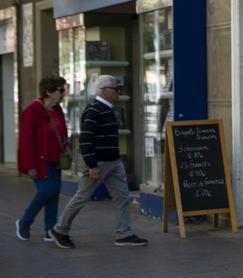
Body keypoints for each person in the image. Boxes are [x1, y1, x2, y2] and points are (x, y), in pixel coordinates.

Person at [49, 75, 148, 249]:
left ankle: (124, 233)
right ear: (103, 91)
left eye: (119, 89)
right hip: (99, 163)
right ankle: (60, 230)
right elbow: (86, 139)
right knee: (82, 197)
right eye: (115, 89)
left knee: (123, 197)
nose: (118, 92)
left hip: (114, 161)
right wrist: (92, 165)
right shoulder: (93, 110)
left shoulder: (108, 109)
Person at [15, 76, 68, 242]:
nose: (63, 93)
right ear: (49, 92)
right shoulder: (32, 110)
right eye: (60, 90)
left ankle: (50, 229)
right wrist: (30, 165)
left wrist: (66, 146)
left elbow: (63, 131)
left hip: (55, 159)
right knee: (46, 191)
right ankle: (25, 222)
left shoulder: (57, 109)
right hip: (39, 161)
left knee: (54, 194)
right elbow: (26, 139)